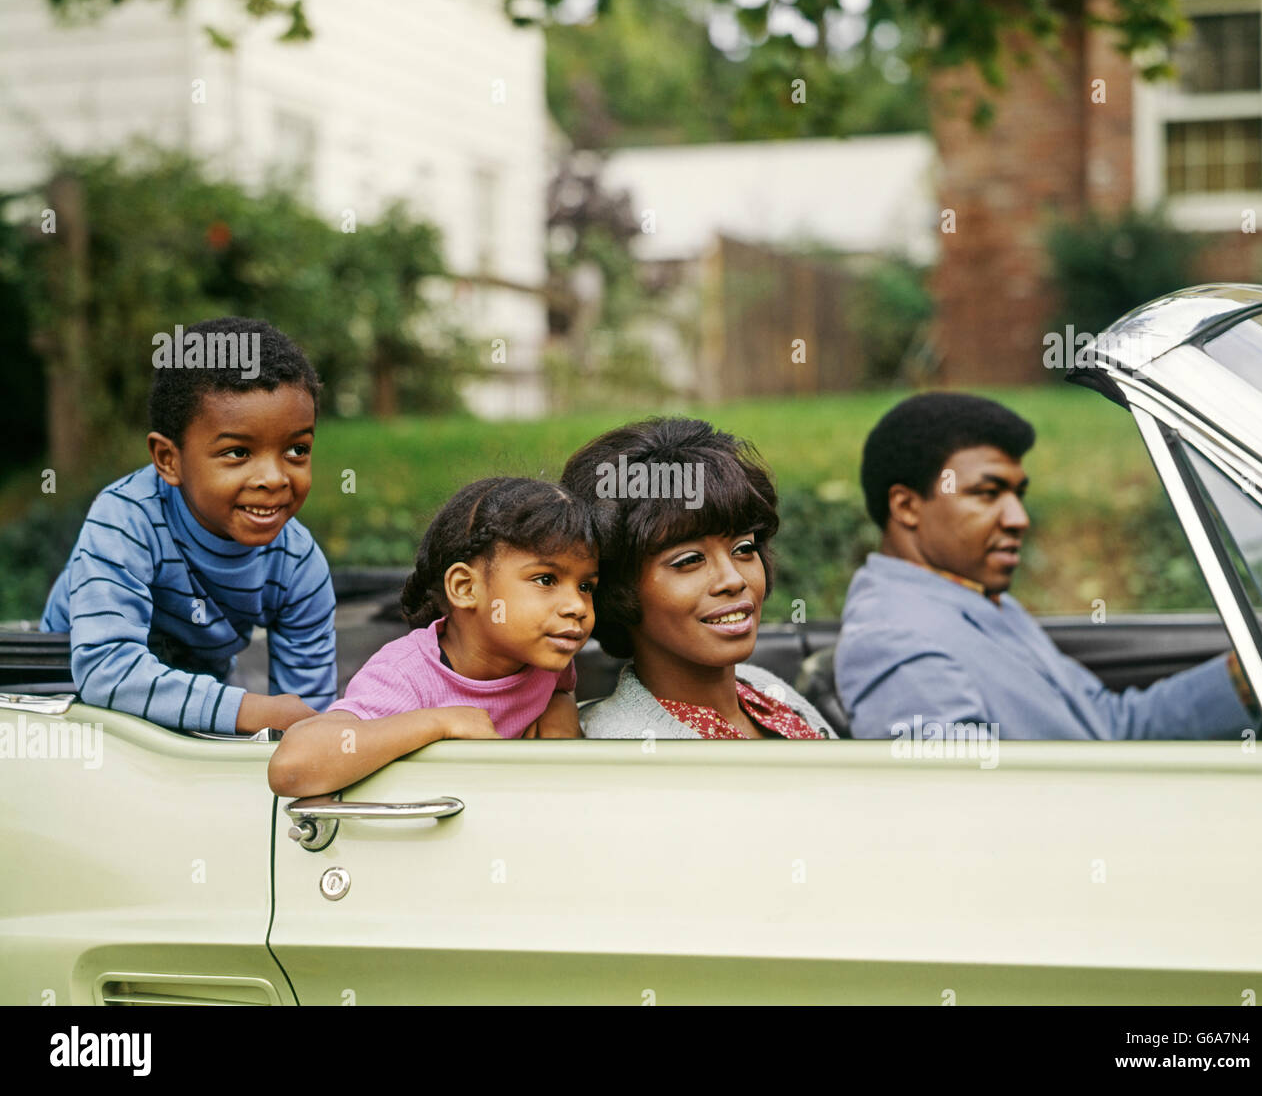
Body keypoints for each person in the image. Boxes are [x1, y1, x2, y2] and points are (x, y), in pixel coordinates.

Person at [835, 392, 1261, 740]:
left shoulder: (974, 598)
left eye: (1018, 494)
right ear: (907, 506)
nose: (1018, 518)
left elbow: (1108, 726)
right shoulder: (893, 637)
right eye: (987, 493)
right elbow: (967, 810)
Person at [41, 317, 335, 735]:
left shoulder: (298, 566)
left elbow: (305, 720)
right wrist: (250, 712)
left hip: (195, 721)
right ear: (168, 460)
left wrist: (288, 726)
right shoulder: (126, 518)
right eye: (237, 452)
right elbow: (105, 670)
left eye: (296, 449)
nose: (274, 477)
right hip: (71, 713)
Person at [268, 477, 598, 797]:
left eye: (586, 586)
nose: (576, 606)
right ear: (466, 588)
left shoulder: (546, 659)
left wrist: (560, 708)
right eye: (545, 579)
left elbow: (561, 685)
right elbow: (291, 768)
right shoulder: (405, 676)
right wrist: (440, 722)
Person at [562, 417, 836, 739]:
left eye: (744, 548)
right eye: (690, 560)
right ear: (617, 586)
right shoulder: (624, 746)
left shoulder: (766, 691)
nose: (733, 580)